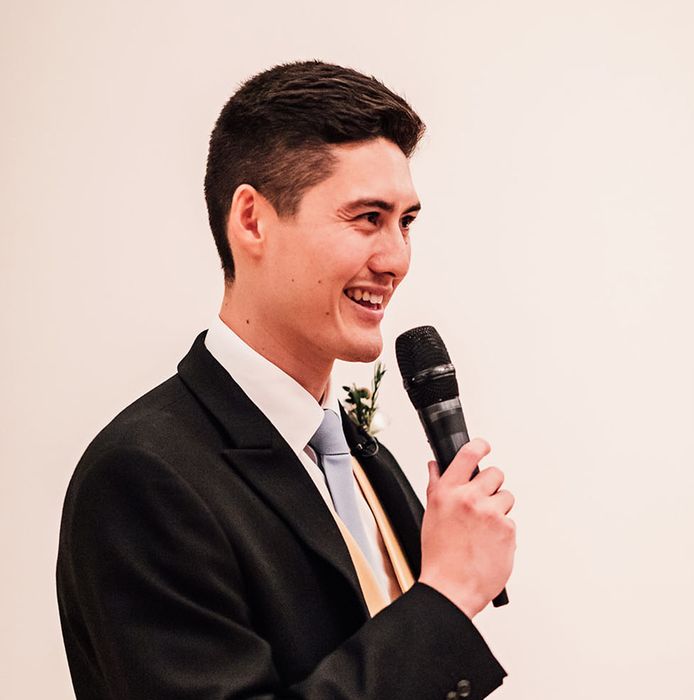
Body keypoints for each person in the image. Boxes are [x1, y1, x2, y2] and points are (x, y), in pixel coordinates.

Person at [56, 60, 516, 699]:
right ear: (251, 220)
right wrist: (447, 595)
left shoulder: (361, 455)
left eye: (405, 222)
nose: (396, 260)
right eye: (366, 218)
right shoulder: (143, 476)